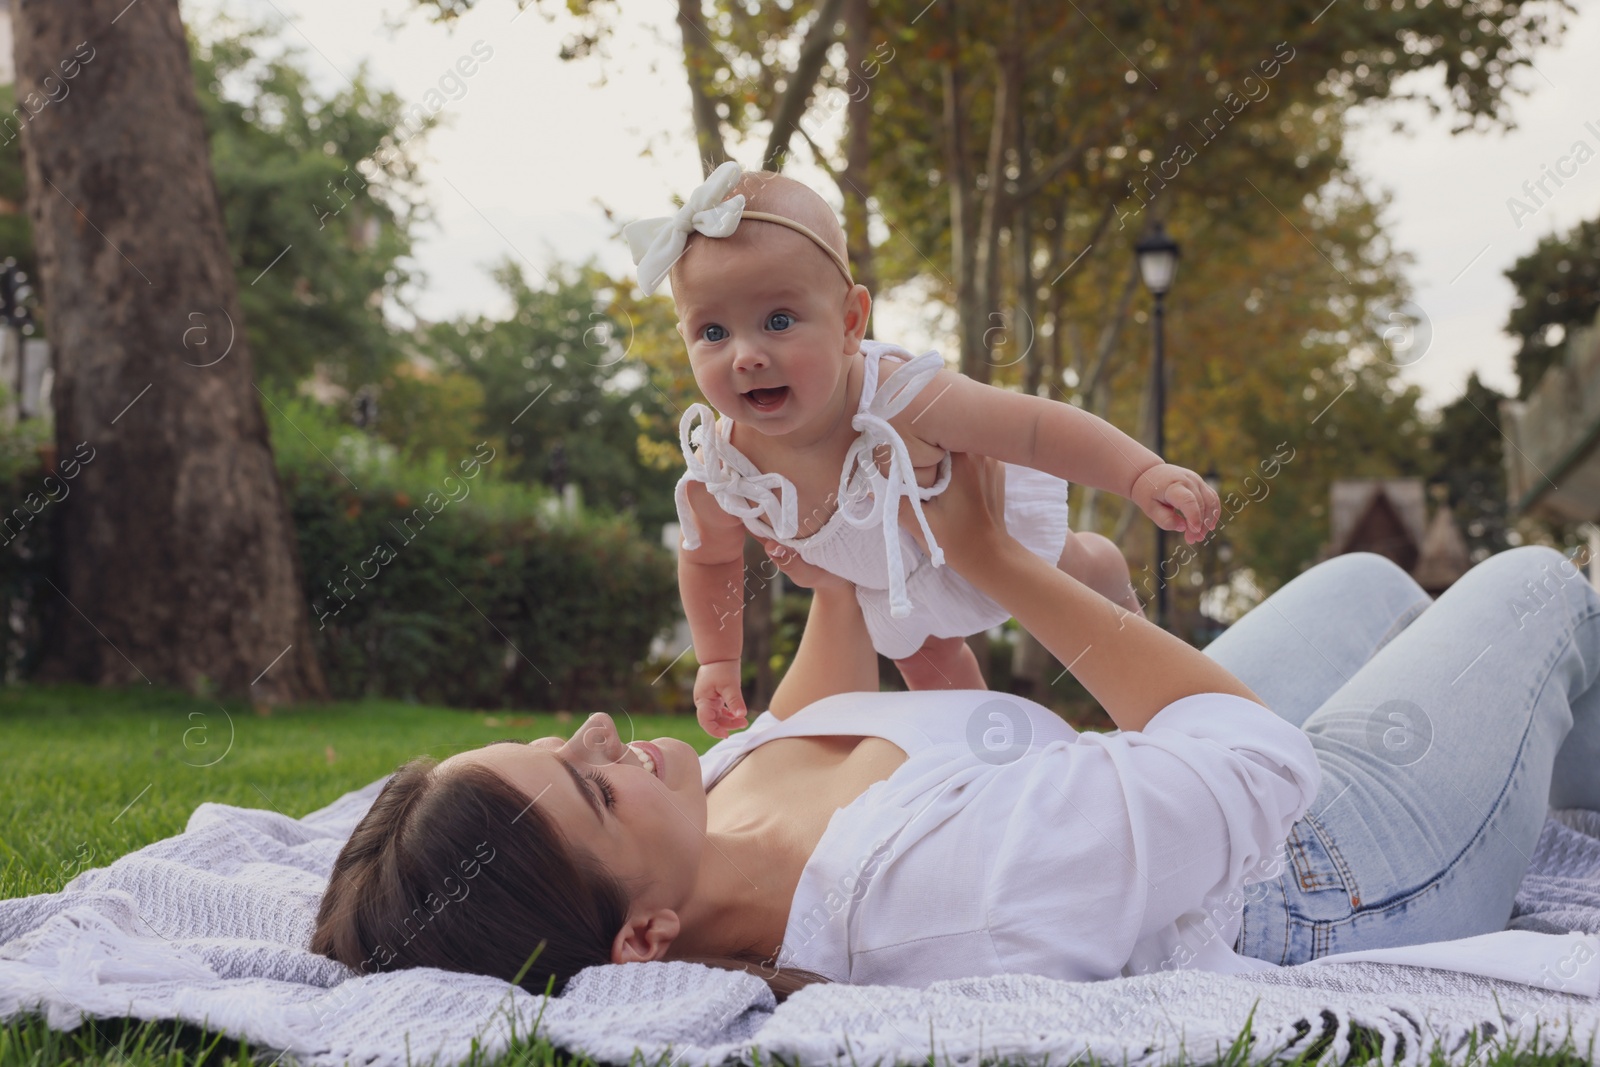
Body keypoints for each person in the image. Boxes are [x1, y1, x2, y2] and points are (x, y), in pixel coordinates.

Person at [312, 451, 1600, 998]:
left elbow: (830, 692)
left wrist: (825, 546)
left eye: (562, 739)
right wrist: (1001, 556)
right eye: (592, 787)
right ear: (644, 937)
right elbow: (1254, 761)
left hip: (1139, 771)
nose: (604, 736)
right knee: (1533, 588)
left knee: (1369, 584)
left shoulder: (710, 804)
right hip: (1319, 867)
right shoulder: (925, 897)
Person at [627, 161, 1220, 737]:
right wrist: (717, 660)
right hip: (894, 592)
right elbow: (708, 558)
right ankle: (994, 757)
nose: (746, 355)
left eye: (779, 320)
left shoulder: (901, 397)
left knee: (1072, 574)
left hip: (997, 537)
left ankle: (1105, 574)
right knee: (932, 677)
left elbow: (1034, 430)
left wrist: (1141, 474)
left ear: (850, 322)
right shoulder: (723, 471)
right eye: (713, 332)